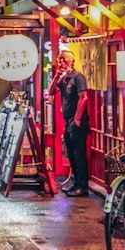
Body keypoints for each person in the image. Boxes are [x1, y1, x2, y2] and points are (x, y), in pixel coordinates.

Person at [49, 50, 90, 197]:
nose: (61, 62)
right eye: (59, 60)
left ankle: (83, 186)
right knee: (71, 154)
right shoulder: (64, 78)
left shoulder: (78, 77)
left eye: (64, 60)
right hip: (68, 121)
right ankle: (76, 183)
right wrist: (56, 75)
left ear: (72, 61)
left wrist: (77, 119)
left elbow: (83, 98)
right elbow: (51, 91)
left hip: (78, 122)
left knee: (79, 154)